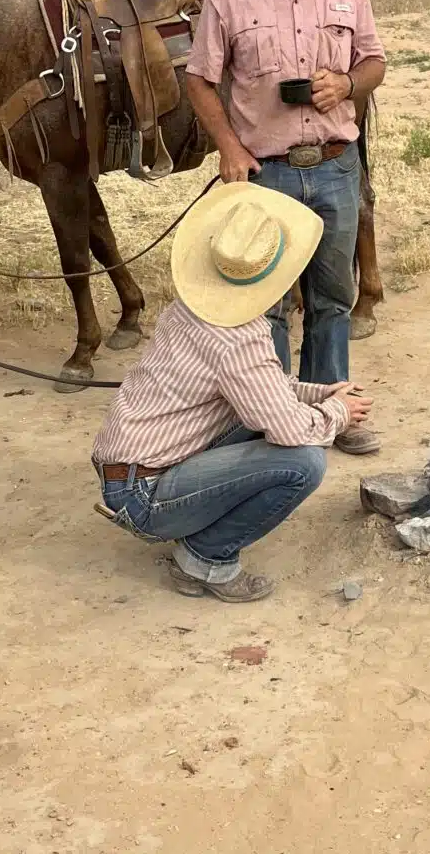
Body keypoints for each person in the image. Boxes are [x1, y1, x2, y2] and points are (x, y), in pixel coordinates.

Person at [185, 0, 386, 454]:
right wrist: (227, 144)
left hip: (334, 164)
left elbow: (375, 62)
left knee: (331, 297)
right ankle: (275, 417)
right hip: (265, 171)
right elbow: (200, 79)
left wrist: (346, 86)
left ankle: (333, 410)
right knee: (265, 303)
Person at [92, 186, 374, 603]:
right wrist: (337, 412)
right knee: (305, 461)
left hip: (127, 474)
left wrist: (319, 393)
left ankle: (193, 535)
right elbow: (291, 430)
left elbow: (264, 391)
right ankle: (205, 560)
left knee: (261, 421)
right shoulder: (237, 339)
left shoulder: (192, 307)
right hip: (141, 494)